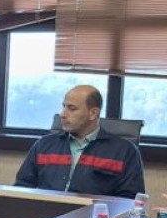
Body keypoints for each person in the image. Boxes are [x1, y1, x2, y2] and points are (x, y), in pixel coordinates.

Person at [14, 84, 144, 198]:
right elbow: (22, 187)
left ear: (93, 113)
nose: (62, 114)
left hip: (95, 216)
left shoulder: (124, 151)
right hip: (46, 215)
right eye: (64, 107)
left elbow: (131, 200)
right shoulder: (44, 145)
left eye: (72, 109)